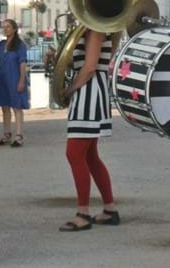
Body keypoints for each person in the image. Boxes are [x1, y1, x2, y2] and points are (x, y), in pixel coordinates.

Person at [57, 25, 120, 232]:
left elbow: (90, 66)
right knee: (90, 156)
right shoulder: (101, 27)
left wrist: (70, 89)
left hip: (88, 93)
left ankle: (83, 213)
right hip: (93, 91)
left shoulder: (95, 27)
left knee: (74, 153)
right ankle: (109, 209)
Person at [0, 18, 30, 147]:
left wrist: (22, 81)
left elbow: (23, 63)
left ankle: (19, 136)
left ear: (14, 29)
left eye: (8, 26)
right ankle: (6, 133)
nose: (5, 29)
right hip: (2, 79)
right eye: (3, 27)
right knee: (4, 106)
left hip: (15, 78)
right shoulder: (1, 44)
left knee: (16, 107)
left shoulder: (20, 45)